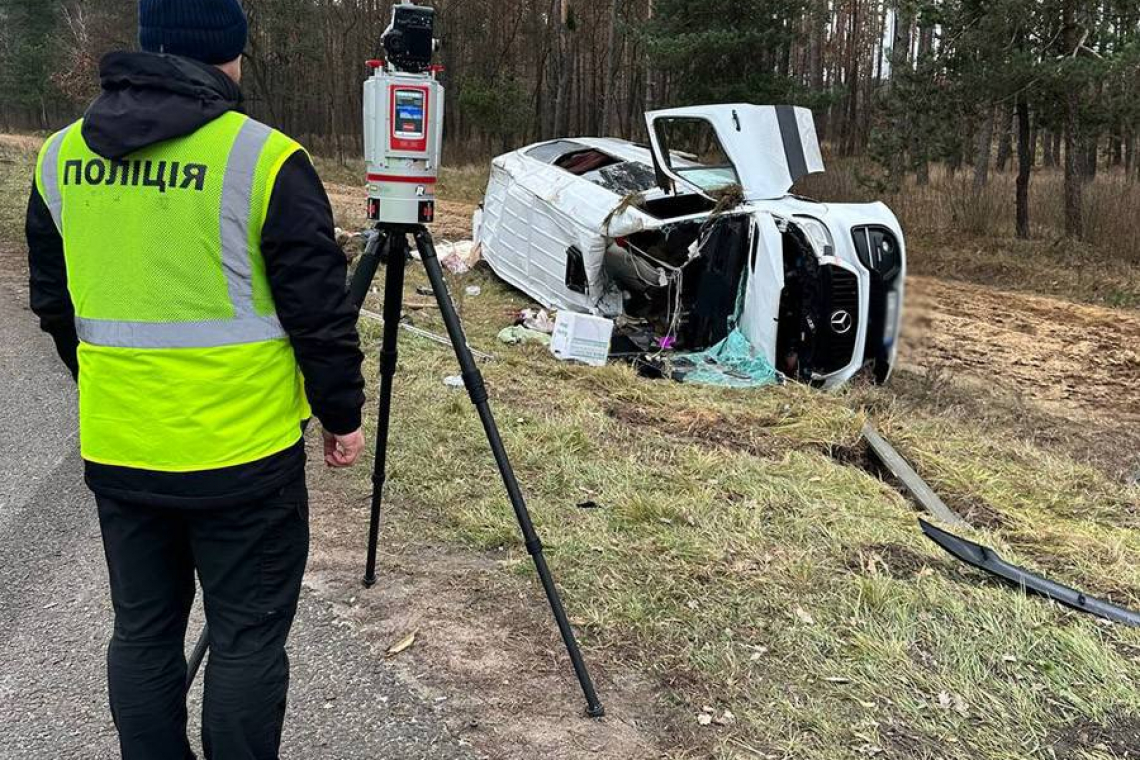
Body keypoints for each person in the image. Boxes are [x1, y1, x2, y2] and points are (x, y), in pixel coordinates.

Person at [25, 1, 367, 757]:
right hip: (242, 456)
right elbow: (319, 314)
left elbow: (53, 302)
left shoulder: (58, 157)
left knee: (143, 631)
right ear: (229, 49)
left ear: (149, 43)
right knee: (247, 637)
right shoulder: (264, 157)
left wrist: (107, 383)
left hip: (121, 446)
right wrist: (341, 413)